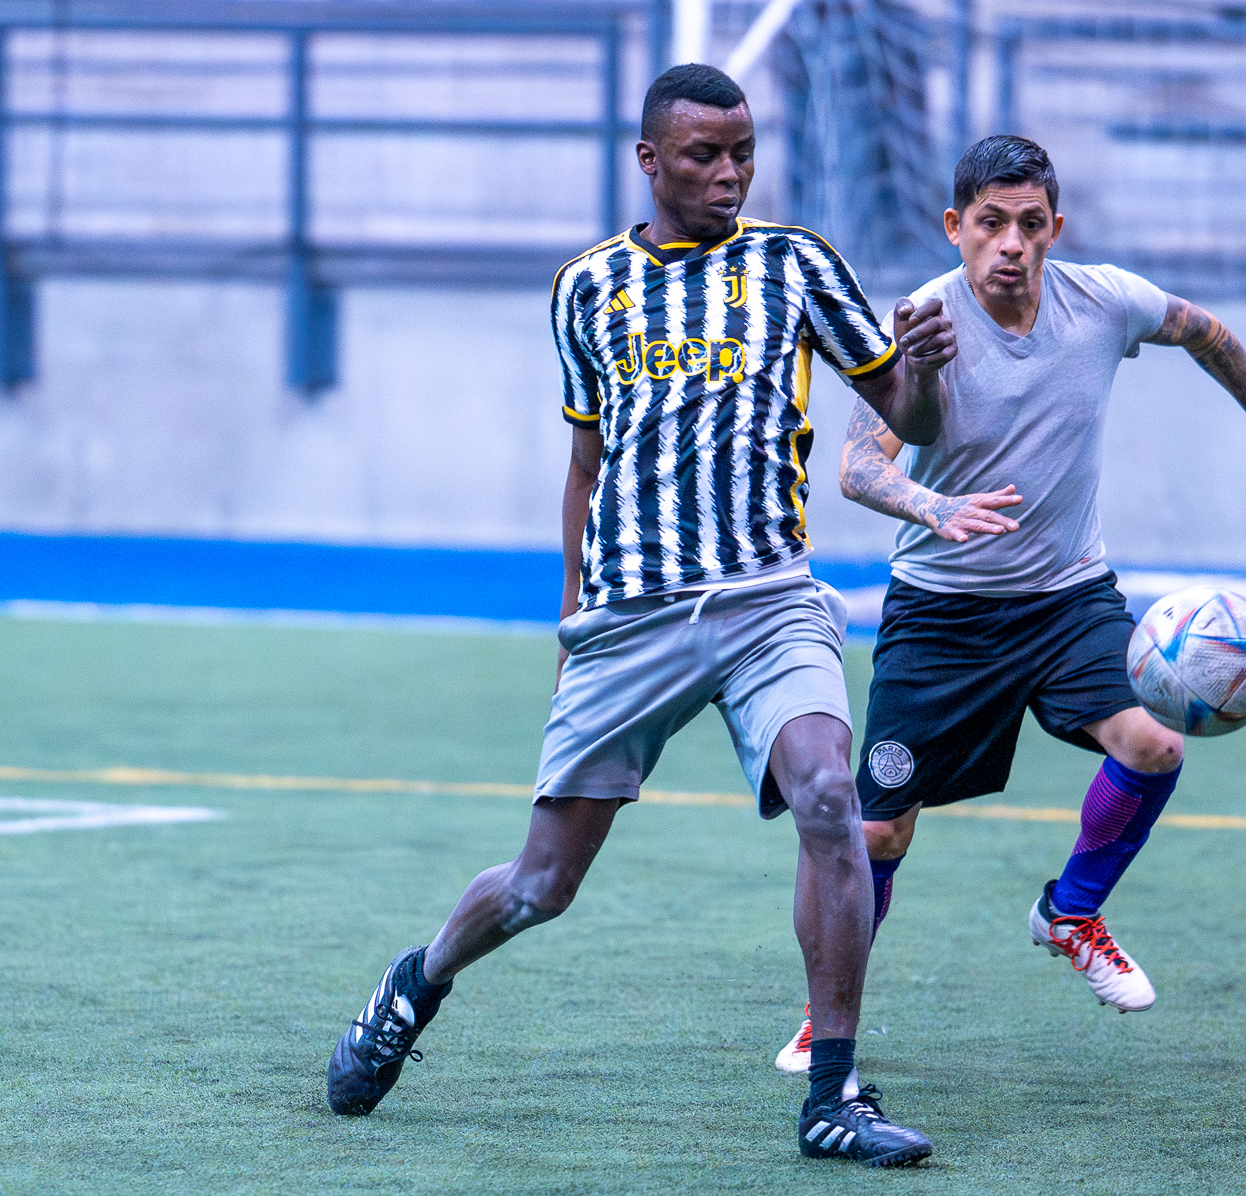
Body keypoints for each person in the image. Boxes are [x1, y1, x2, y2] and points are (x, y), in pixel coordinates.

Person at [327, 63, 953, 1168]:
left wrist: (925, 372)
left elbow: (906, 411)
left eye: (744, 150)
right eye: (705, 154)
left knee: (826, 793)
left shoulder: (797, 263)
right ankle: (414, 986)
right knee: (540, 886)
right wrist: (570, 624)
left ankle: (832, 1092)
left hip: (770, 599)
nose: (729, 172)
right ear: (649, 160)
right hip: (630, 620)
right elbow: (584, 464)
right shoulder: (586, 287)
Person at [774, 135, 1246, 1073]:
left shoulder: (1104, 300)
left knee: (1155, 743)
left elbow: (1207, 332)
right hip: (943, 609)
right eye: (990, 224)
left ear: (1055, 229)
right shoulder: (919, 320)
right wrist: (936, 505)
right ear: (955, 228)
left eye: (1030, 225)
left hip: (1070, 597)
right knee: (879, 828)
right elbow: (856, 466)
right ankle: (824, 1011)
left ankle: (1070, 913)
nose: (1011, 244)